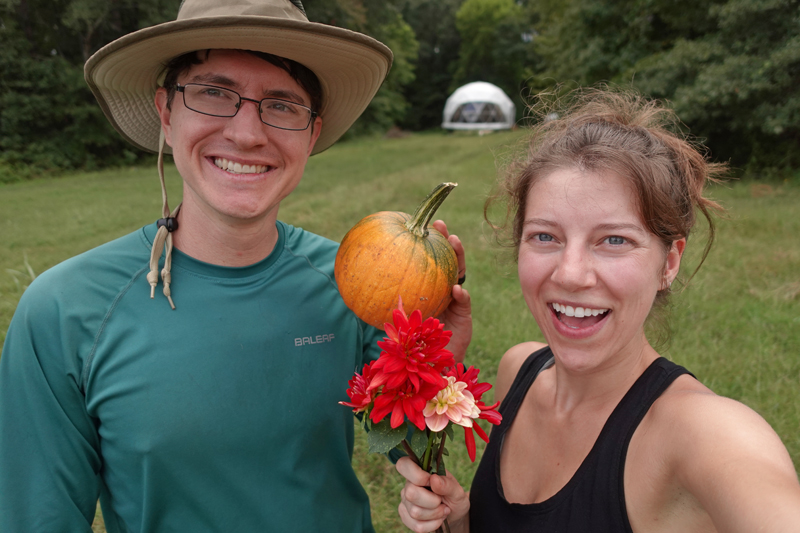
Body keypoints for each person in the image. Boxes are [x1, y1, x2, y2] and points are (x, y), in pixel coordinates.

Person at [0, 1, 471, 532]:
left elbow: (414, 463)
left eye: (283, 104)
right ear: (166, 111)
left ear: (311, 134)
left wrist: (433, 363)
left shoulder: (355, 284)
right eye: (214, 93)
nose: (247, 133)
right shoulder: (64, 312)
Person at [395, 89, 800, 533]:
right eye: (545, 236)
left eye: (614, 240)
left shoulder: (707, 435)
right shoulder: (518, 372)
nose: (570, 275)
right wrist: (463, 519)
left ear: (669, 262)